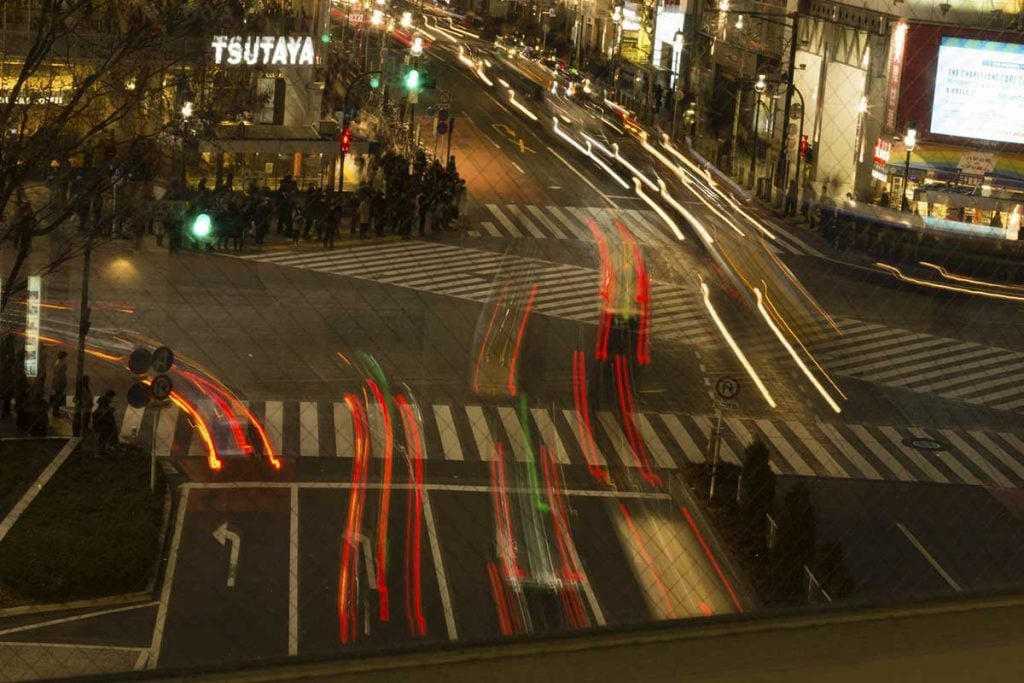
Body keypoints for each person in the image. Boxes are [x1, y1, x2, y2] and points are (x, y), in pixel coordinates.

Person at [50, 350, 68, 418]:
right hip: (59, 383)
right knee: (57, 398)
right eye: (65, 357)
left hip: (57, 383)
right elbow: (62, 375)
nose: (66, 358)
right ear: (63, 357)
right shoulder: (61, 364)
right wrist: (63, 384)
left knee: (57, 397)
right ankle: (56, 412)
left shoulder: (58, 363)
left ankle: (56, 411)